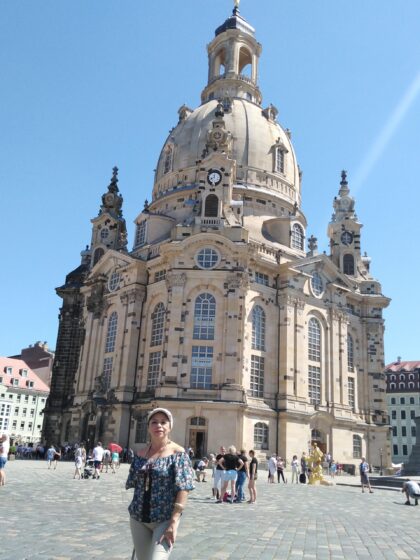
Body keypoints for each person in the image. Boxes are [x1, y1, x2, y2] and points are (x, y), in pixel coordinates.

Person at [126, 408, 194, 559]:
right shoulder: (140, 454)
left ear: (170, 427)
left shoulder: (178, 453)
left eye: (164, 422)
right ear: (148, 427)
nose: (159, 426)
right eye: (154, 422)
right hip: (138, 518)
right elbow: (136, 485)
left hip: (165, 519)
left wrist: (174, 521)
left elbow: (184, 488)